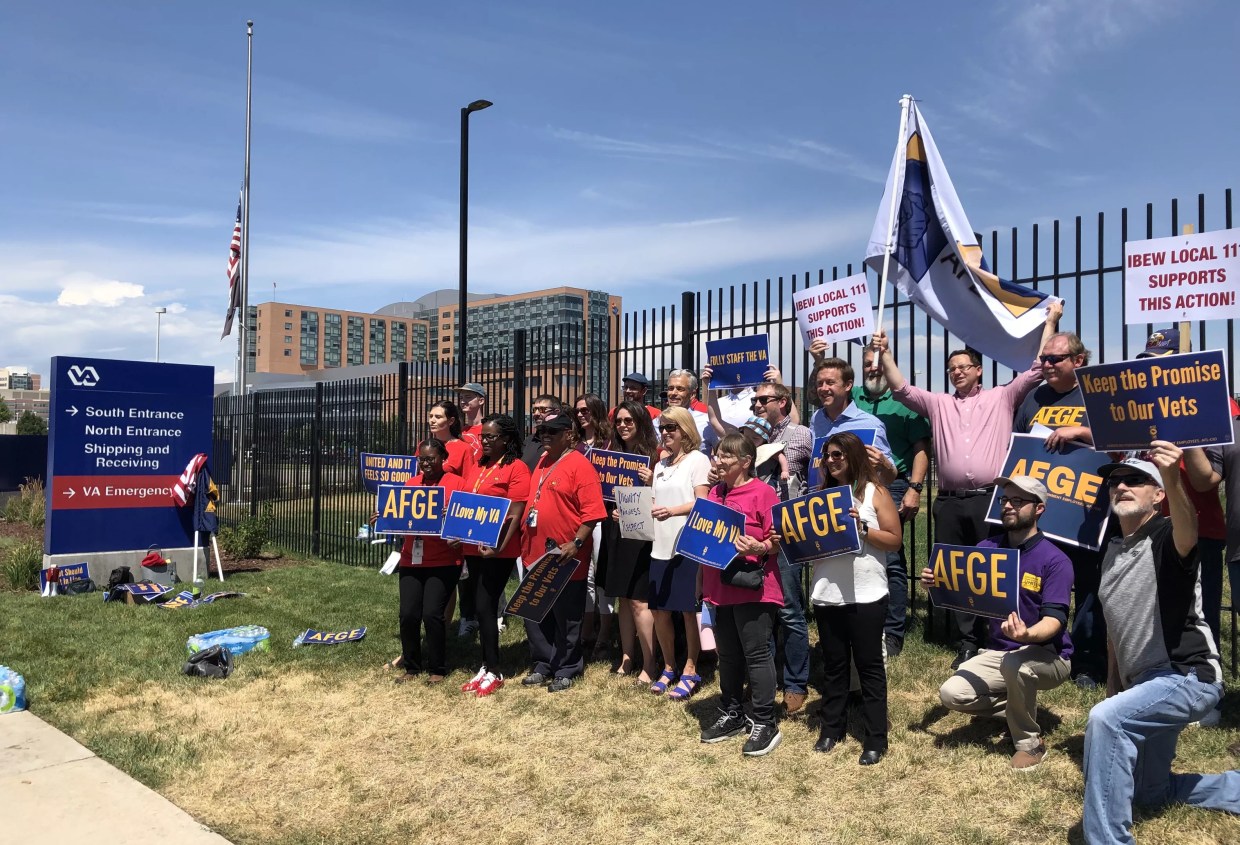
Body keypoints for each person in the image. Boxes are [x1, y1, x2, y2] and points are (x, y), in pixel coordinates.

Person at [871, 298, 1062, 667]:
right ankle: (966, 641)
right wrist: (887, 354)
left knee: (993, 569)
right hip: (949, 501)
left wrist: (1050, 322)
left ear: (978, 370)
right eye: (951, 369)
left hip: (990, 499)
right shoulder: (939, 404)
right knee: (957, 571)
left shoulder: (1002, 396)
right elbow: (902, 390)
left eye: (962, 367)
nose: (956, 372)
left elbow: (1037, 369)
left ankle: (998, 636)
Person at [1082, 447, 1239, 844]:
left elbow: (1190, 530)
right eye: (1115, 481)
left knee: (1106, 720)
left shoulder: (1167, 534)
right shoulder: (1111, 551)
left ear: (1157, 495)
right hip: (1145, 686)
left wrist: (1171, 475)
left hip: (1187, 676)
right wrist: (1114, 686)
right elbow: (1114, 627)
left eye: (1135, 480)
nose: (1121, 486)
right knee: (1150, 792)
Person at [923, 475, 1074, 771]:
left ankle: (1030, 744)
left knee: (1017, 665)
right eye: (1005, 499)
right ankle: (1020, 706)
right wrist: (937, 582)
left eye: (1018, 501)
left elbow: (1055, 620)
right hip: (1000, 654)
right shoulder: (986, 548)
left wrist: (1027, 635)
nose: (1008, 506)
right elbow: (961, 592)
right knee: (952, 694)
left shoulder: (1055, 560)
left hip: (1049, 655)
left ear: (1039, 509)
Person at [706, 370, 815, 714]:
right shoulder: (743, 439)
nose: (756, 404)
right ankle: (760, 681)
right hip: (744, 534)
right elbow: (717, 424)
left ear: (782, 402)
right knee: (754, 618)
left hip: (781, 533)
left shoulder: (797, 433)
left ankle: (794, 684)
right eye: (754, 399)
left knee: (789, 611)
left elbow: (810, 476)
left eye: (763, 399)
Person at [1011, 331, 1109, 688]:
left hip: (1085, 511)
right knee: (1038, 583)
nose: (1047, 364)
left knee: (1088, 586)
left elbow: (1121, 440)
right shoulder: (1034, 397)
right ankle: (1042, 649)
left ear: (1078, 361)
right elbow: (1017, 444)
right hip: (1042, 512)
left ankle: (1088, 663)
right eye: (1045, 359)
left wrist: (1079, 431)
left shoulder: (1096, 394)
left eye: (1056, 359)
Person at [804, 432, 901, 765]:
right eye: (827, 455)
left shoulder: (876, 492)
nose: (831, 461)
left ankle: (875, 737)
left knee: (869, 666)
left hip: (866, 593)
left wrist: (864, 530)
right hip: (828, 593)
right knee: (834, 666)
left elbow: (895, 540)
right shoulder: (819, 497)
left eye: (838, 455)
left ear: (853, 455)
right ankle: (831, 729)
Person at [697, 433, 785, 757]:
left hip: (754, 588)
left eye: (726, 456)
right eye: (717, 455)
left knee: (756, 654)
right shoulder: (714, 493)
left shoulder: (763, 493)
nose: (718, 461)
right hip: (719, 587)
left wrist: (760, 546)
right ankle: (732, 712)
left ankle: (765, 721)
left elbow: (778, 541)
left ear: (746, 462)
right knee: (729, 655)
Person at [851, 344, 931, 658]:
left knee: (892, 559)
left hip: (892, 483)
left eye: (878, 363)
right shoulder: (852, 396)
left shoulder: (904, 401)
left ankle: (893, 632)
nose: (873, 368)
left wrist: (915, 488)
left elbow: (921, 448)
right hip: (854, 485)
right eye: (867, 364)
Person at [520, 412, 607, 692]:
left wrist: (576, 543)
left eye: (552, 432)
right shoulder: (543, 461)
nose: (545, 436)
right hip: (535, 552)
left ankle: (567, 667)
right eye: (542, 431)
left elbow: (592, 514)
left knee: (566, 616)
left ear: (569, 435)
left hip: (565, 555)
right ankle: (543, 663)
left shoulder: (581, 466)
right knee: (536, 613)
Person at [381, 439, 466, 684]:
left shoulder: (457, 483)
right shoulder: (410, 484)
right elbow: (400, 517)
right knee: (408, 614)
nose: (426, 463)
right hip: (411, 559)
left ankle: (437, 668)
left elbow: (467, 517)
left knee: (432, 614)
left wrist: (452, 516)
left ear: (443, 459)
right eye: (422, 459)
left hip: (443, 560)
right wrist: (384, 516)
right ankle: (412, 667)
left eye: (431, 459)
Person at [458, 414, 530, 698]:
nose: (484, 441)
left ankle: (494, 670)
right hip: (474, 548)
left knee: (486, 605)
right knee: (480, 607)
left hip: (498, 551)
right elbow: (468, 503)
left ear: (506, 439)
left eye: (490, 437)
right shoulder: (479, 465)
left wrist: (499, 547)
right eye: (483, 437)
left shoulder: (516, 468)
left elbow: (515, 513)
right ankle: (485, 666)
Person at [643, 405, 711, 700]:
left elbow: (702, 502)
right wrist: (632, 513)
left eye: (671, 427)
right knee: (659, 610)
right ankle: (669, 666)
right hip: (659, 545)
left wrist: (672, 511)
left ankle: (691, 668)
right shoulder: (660, 464)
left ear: (686, 430)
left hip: (687, 544)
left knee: (687, 610)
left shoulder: (698, 460)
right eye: (662, 427)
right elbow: (653, 502)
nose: (665, 432)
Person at [599, 401, 660, 684]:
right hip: (616, 531)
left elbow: (666, 496)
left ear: (640, 422)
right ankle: (627, 656)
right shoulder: (611, 454)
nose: (623, 425)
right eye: (619, 421)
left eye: (629, 421)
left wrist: (651, 482)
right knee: (622, 598)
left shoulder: (656, 455)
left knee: (638, 599)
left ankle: (650, 662)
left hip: (642, 536)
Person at [428, 399, 480, 638]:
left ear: (450, 421)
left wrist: (456, 512)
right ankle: (436, 624)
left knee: (453, 573)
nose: (432, 420)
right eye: (431, 416)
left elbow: (469, 485)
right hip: (426, 520)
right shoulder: (424, 446)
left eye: (438, 416)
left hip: (450, 518)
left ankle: (452, 624)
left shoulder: (462, 449)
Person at [573, 393, 615, 657]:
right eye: (577, 411)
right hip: (578, 515)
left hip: (603, 515)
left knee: (602, 574)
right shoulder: (574, 444)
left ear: (597, 411)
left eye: (585, 410)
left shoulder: (610, 443)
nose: (580, 415)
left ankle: (605, 633)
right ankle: (586, 631)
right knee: (585, 574)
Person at [664, 369, 712, 448]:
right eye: (670, 388)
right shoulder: (656, 422)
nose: (673, 393)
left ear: (692, 394)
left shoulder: (706, 423)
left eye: (680, 389)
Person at [522, 394, 563, 470]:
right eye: (534, 410)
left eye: (542, 410)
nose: (536, 414)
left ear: (556, 412)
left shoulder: (564, 440)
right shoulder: (529, 440)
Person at [456, 382, 487, 458]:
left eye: (468, 397)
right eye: (461, 398)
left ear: (481, 401)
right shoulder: (460, 432)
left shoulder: (488, 429)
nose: (463, 401)